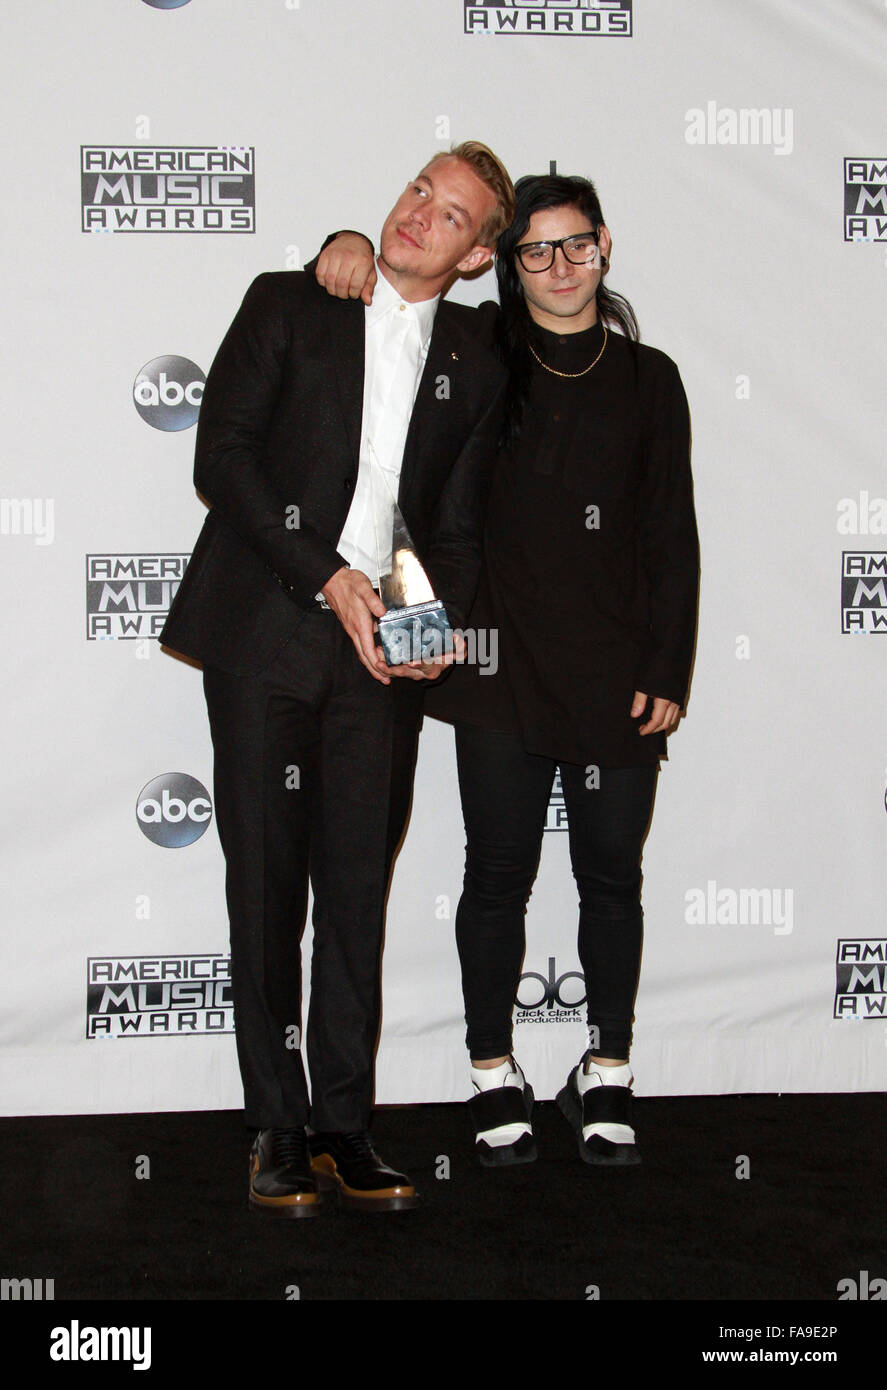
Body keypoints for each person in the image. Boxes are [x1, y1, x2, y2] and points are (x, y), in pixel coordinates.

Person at [315, 173, 699, 1169]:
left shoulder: (650, 378)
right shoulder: (478, 350)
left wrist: (668, 661)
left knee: (612, 877)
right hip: (488, 663)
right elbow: (396, 287)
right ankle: (493, 1070)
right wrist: (345, 240)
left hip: (615, 668)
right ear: (507, 260)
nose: (559, 267)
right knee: (496, 878)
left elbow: (669, 531)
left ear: (605, 245)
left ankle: (605, 1065)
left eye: (576, 245)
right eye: (536, 249)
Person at [160, 143, 514, 1214]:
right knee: (266, 885)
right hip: (268, 629)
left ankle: (344, 1125)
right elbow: (219, 456)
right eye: (418, 189)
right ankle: (274, 1122)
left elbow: (454, 523)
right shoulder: (295, 298)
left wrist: (423, 610)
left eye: (449, 215)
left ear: (475, 255)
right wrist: (326, 577)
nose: (418, 215)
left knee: (355, 888)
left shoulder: (476, 357)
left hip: (382, 657)